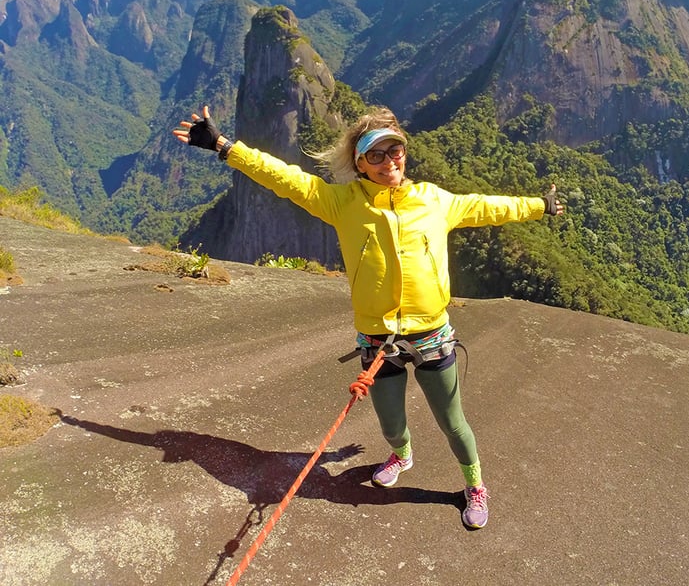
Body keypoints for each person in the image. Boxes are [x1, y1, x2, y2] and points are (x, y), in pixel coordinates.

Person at [173, 105, 563, 529]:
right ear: (359, 164)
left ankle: (473, 486)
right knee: (391, 422)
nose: (387, 161)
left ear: (405, 152)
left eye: (393, 150)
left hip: (432, 334)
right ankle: (402, 455)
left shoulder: (436, 201)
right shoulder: (343, 204)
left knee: (454, 424)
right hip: (379, 340)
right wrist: (225, 147)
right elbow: (284, 178)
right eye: (374, 155)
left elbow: (490, 207)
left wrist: (539, 205)